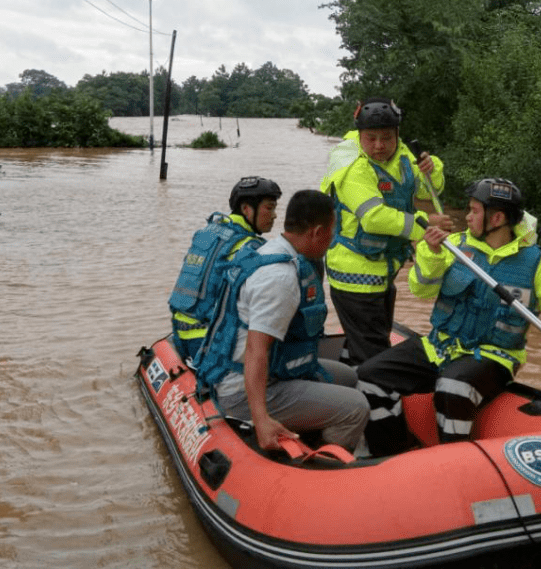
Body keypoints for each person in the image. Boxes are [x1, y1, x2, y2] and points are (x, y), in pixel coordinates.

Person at [355, 178, 541, 457]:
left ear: (497, 218)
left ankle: (455, 461)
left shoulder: (538, 263)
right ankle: (390, 452)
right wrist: (431, 254)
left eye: (474, 211)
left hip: (495, 355)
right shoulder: (453, 246)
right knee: (369, 377)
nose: (466, 216)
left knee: (454, 387)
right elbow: (421, 290)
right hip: (439, 346)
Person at [195, 189, 369, 453]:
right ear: (317, 231)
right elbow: (256, 351)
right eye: (333, 231)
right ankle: (322, 467)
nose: (333, 239)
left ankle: (311, 428)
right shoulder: (280, 278)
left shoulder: (273, 249)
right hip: (242, 390)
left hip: (266, 370)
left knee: (346, 376)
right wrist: (261, 419)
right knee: (357, 407)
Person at [320, 97, 452, 365]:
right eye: (371, 138)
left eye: (386, 138)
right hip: (354, 273)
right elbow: (373, 218)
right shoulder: (352, 165)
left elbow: (429, 190)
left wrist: (432, 168)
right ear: (360, 136)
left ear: (397, 135)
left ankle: (354, 374)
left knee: (374, 338)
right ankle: (375, 400)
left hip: (384, 271)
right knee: (374, 352)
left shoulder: (403, 155)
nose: (379, 146)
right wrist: (426, 224)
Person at [169, 177, 282, 361]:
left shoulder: (206, 232)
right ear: (247, 209)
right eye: (269, 208)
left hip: (180, 334)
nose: (275, 215)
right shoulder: (251, 248)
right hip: (209, 343)